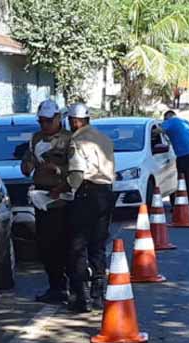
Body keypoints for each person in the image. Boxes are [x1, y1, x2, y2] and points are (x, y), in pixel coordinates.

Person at [63, 102, 116, 312]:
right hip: (106, 192)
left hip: (86, 193)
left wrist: (65, 189)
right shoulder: (104, 138)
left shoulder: (76, 140)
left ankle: (81, 296)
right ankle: (98, 294)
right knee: (98, 244)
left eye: (70, 121)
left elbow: (76, 173)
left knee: (78, 245)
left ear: (75, 121)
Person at [21, 99, 73, 304]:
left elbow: (77, 169)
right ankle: (55, 286)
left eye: (48, 121)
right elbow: (26, 166)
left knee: (65, 245)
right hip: (41, 199)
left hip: (62, 197)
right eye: (41, 121)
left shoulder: (69, 140)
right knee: (45, 246)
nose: (44, 126)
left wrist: (58, 170)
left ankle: (72, 285)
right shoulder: (35, 139)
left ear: (58, 119)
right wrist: (29, 163)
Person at [162, 110, 189, 206]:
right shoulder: (185, 121)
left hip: (184, 154)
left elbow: (157, 130)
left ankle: (180, 203)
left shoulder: (170, 121)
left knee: (180, 178)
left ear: (167, 117)